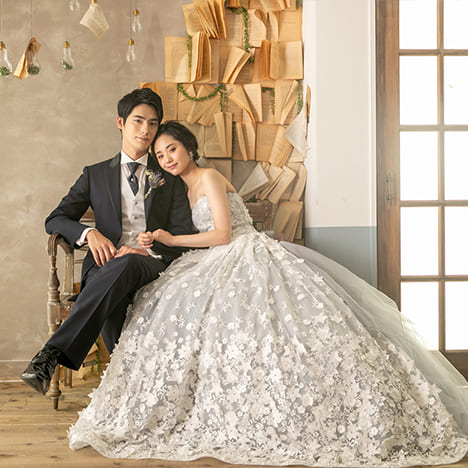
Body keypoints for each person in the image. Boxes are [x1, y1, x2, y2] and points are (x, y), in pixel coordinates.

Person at [68, 122, 468, 466]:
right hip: (207, 259)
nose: (167, 158)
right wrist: (150, 241)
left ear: (189, 147)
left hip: (241, 251)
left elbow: (223, 234)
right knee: (173, 307)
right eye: (159, 154)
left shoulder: (209, 177)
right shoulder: (177, 190)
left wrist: (170, 238)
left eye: (172, 148)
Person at [20, 91, 193, 396]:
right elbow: (55, 219)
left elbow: (181, 235)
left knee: (128, 262)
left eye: (153, 123)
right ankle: (128, 390)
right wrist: (89, 234)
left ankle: (50, 356)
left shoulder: (168, 176)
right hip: (104, 270)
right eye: (138, 121)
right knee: (115, 297)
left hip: (150, 265)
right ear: (120, 122)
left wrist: (147, 249)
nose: (146, 130)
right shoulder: (95, 174)